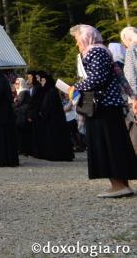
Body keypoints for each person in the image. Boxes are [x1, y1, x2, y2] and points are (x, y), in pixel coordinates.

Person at [69, 25, 137, 198]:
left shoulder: (95, 51)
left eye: (77, 39)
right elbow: (118, 77)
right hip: (110, 107)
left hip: (102, 107)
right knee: (115, 144)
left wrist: (75, 87)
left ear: (86, 37)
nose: (77, 43)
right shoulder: (103, 50)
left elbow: (97, 78)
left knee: (107, 145)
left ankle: (118, 185)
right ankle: (122, 185)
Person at [32, 71, 74, 162]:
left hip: (54, 119)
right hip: (51, 119)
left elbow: (49, 106)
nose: (39, 81)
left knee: (55, 137)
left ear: (44, 80)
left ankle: (56, 155)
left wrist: (43, 113)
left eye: (40, 79)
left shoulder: (51, 91)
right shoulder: (48, 90)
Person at [14, 76, 32, 156]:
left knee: (22, 134)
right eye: (15, 83)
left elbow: (18, 103)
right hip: (21, 115)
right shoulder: (21, 92)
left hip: (22, 115)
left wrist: (14, 102)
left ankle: (23, 150)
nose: (16, 85)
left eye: (17, 83)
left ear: (21, 84)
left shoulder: (23, 92)